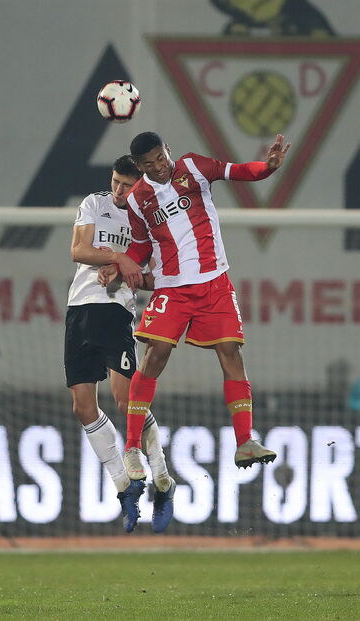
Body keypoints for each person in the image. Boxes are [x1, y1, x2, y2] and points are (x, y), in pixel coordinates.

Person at [102, 131, 290, 481]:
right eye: (149, 165)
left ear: (167, 150)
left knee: (231, 353)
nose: (158, 167)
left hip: (214, 282)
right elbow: (141, 247)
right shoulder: (139, 199)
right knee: (155, 354)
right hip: (173, 288)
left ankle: (245, 440)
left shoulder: (193, 167)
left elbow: (239, 171)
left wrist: (268, 167)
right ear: (140, 168)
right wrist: (122, 264)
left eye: (160, 158)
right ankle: (132, 446)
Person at [65, 155, 176, 534]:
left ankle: (161, 478)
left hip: (115, 311)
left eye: (127, 186)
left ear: (140, 185)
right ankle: (124, 484)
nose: (118, 191)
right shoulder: (95, 203)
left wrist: (127, 271)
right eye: (115, 182)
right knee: (82, 407)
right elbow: (79, 251)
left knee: (126, 401)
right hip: (78, 309)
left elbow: (153, 278)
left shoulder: (146, 218)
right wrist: (118, 257)